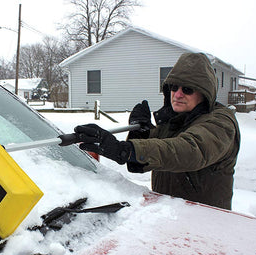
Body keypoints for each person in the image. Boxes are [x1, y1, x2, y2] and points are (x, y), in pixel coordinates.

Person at [74, 52, 240, 210]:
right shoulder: (175, 121)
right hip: (166, 218)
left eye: (187, 89)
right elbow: (154, 153)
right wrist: (141, 132)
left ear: (205, 93)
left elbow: (189, 150)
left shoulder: (220, 122)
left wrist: (125, 149)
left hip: (206, 225)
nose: (178, 94)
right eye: (174, 87)